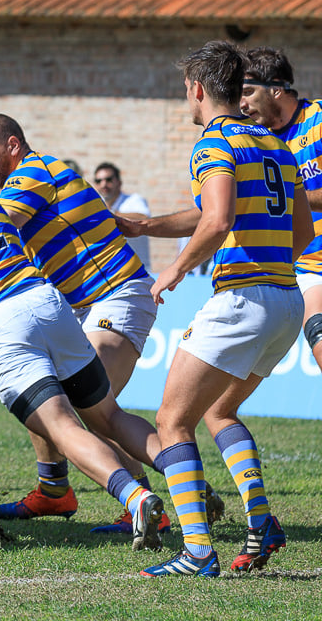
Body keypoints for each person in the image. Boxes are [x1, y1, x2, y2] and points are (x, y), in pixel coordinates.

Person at [0, 145, 168, 554]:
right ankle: (191, 486)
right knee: (108, 414)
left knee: (63, 426)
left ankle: (135, 498)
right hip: (48, 302)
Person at [119, 41, 313, 577]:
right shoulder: (276, 144)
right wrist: (148, 226)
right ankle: (260, 520)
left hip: (242, 300)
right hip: (285, 300)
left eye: (186, 88)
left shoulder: (214, 144)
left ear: (199, 89)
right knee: (219, 411)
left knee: (171, 421)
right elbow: (299, 230)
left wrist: (174, 270)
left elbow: (218, 218)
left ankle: (198, 551)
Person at [0, 114, 168, 535]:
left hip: (116, 293)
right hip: (85, 305)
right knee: (50, 392)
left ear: (13, 145)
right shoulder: (32, 183)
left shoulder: (34, 171)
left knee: (91, 406)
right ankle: (54, 491)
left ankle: (181, 492)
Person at [239, 47, 322, 372]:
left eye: (247, 92)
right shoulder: (256, 142)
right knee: (316, 328)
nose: (241, 104)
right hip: (307, 265)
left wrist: (291, 195)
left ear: (276, 88)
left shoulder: (318, 120)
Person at [93, 162, 152, 268]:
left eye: (109, 179)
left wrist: (112, 214)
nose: (103, 184)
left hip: (137, 270)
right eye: (99, 181)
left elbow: (144, 218)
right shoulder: (95, 205)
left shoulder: (134, 200)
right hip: (109, 271)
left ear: (119, 182)